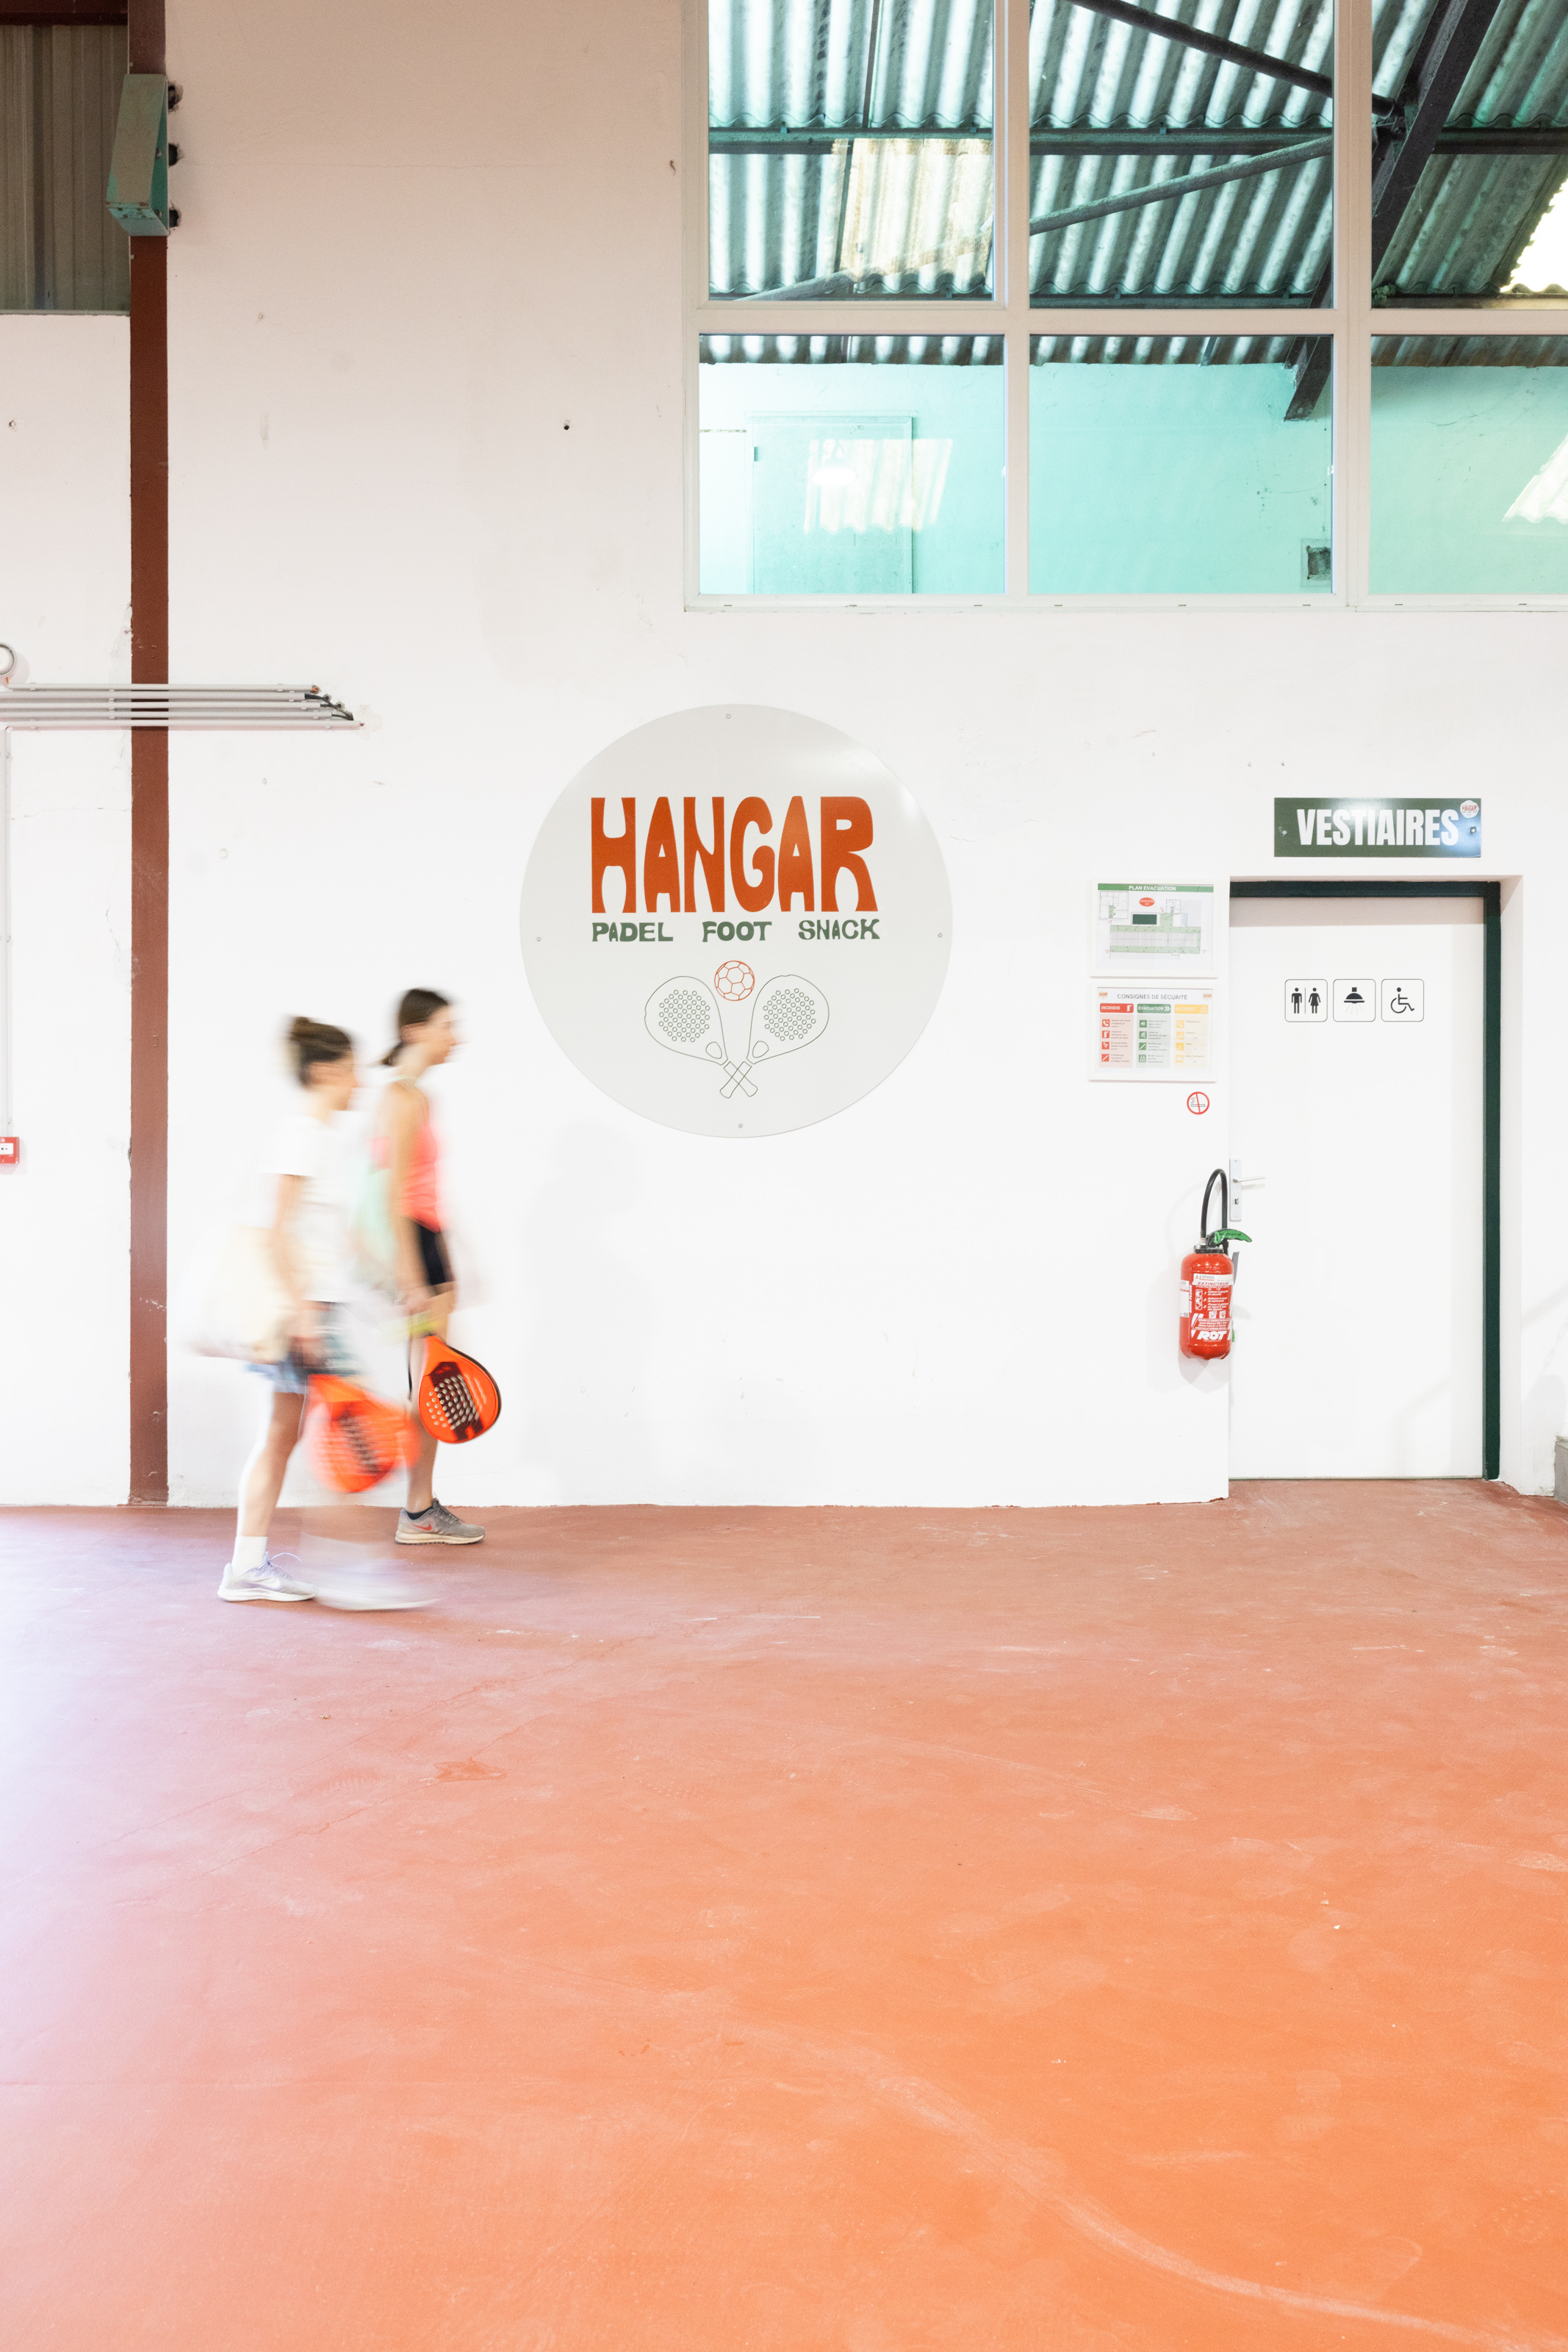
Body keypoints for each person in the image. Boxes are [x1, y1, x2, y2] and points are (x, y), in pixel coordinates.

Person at [219, 1018, 359, 1602]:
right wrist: (304, 1315)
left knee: (286, 1436)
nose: (359, 1082)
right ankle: (256, 1567)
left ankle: (250, 1565)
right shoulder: (301, 1136)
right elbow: (275, 1230)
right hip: (303, 1312)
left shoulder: (320, 1139)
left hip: (315, 1308)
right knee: (300, 1436)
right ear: (323, 1071)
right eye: (351, 1070)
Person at [374, 989, 485, 1546]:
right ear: (415, 1031)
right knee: (430, 1384)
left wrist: (448, 1259)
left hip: (429, 1240)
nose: (455, 1037)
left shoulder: (417, 1097)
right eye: (446, 1025)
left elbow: (421, 1189)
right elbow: (391, 1194)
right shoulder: (401, 1099)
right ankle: (417, 1511)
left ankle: (420, 1506)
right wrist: (411, 1275)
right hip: (415, 1243)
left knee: (433, 1383)